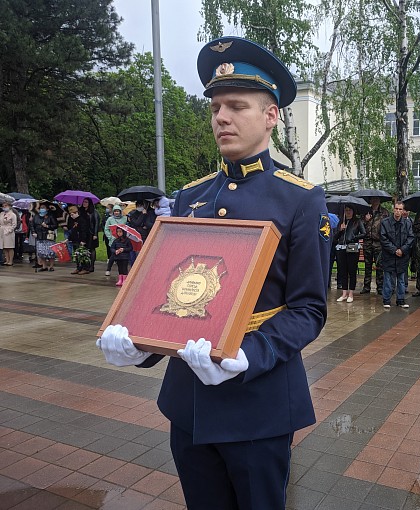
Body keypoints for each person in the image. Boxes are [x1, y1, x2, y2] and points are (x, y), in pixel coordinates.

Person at [97, 36, 330, 510]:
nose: (221, 117)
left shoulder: (300, 199)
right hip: (188, 403)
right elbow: (170, 292)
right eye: (215, 106)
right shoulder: (190, 197)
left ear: (271, 115)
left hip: (256, 403)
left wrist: (250, 353)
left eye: (237, 106)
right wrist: (138, 346)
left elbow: (309, 309)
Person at [380, 201, 414, 308]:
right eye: (396, 209)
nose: (398, 211)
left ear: (403, 210)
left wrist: (402, 250)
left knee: (401, 279)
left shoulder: (407, 223)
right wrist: (394, 250)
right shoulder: (385, 223)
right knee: (388, 279)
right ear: (393, 209)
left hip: (402, 256)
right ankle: (386, 300)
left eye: (400, 209)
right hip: (389, 255)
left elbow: (411, 238)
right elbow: (383, 238)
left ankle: (401, 300)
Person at [334, 205, 366, 302]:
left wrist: (353, 237)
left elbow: (364, 233)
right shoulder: (341, 221)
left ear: (353, 211)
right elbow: (335, 236)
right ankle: (344, 293)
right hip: (341, 247)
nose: (348, 212)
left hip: (352, 247)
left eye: (350, 210)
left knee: (352, 271)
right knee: (343, 271)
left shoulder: (357, 221)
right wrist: (341, 230)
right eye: (346, 210)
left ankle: (351, 293)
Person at [360, 197, 390, 295]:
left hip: (379, 243)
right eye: (373, 200)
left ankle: (380, 286)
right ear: (371, 201)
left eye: (377, 200)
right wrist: (366, 220)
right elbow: (360, 226)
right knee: (367, 265)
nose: (375, 201)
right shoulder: (365, 212)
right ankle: (366, 286)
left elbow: (388, 227)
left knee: (379, 266)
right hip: (367, 242)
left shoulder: (385, 213)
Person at [31, 201, 59, 272]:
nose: (41, 209)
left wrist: (47, 226)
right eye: (40, 208)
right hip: (39, 236)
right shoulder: (36, 216)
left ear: (47, 209)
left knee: (50, 252)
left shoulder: (51, 216)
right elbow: (32, 225)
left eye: (43, 208)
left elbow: (55, 225)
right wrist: (33, 232)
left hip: (48, 236)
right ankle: (44, 266)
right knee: (41, 252)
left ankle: (51, 266)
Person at [66, 205, 92, 275]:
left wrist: (83, 240)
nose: (71, 216)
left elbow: (84, 231)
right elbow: (72, 230)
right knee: (77, 254)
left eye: (72, 214)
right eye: (70, 215)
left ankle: (86, 268)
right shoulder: (72, 220)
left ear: (76, 212)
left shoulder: (82, 220)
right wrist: (68, 239)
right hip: (75, 239)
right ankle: (78, 267)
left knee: (83, 254)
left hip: (81, 239)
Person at [103, 205, 127, 276]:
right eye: (115, 211)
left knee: (122, 255)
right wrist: (110, 237)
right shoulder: (110, 219)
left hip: (122, 240)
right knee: (113, 255)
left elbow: (127, 227)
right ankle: (108, 269)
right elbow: (106, 229)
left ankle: (123, 272)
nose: (116, 212)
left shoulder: (124, 218)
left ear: (120, 212)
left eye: (118, 211)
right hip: (113, 240)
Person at [80, 197, 100, 273]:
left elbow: (96, 224)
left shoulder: (94, 212)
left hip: (91, 233)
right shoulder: (81, 211)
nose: (84, 203)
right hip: (84, 233)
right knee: (84, 249)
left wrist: (95, 234)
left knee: (91, 249)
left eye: (86, 202)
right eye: (83, 202)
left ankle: (92, 266)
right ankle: (84, 265)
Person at [1, 200, 17, 265]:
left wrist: (9, 230)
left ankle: (11, 261)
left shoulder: (13, 214)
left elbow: (14, 224)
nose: (4, 207)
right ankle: (7, 260)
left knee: (9, 247)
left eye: (6, 206)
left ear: (9, 206)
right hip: (2, 231)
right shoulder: (1, 214)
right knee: (4, 247)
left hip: (9, 231)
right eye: (3, 206)